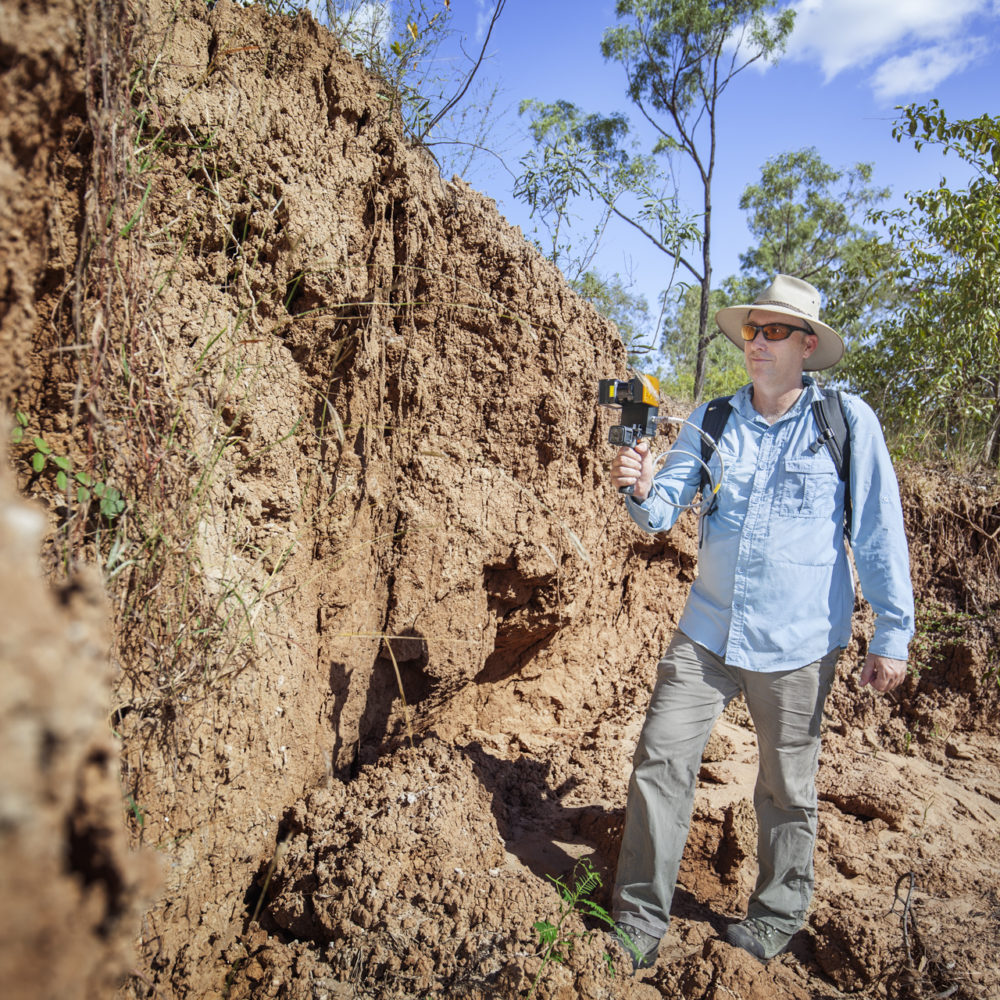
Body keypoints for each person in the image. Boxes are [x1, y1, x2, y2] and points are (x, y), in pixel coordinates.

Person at [607, 274, 914, 969]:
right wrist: (641, 486)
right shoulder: (712, 421)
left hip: (801, 646)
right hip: (709, 632)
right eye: (752, 329)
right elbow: (659, 516)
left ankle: (773, 920)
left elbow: (876, 533)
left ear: (807, 345)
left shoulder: (845, 423)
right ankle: (638, 921)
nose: (758, 342)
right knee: (660, 758)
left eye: (775, 331)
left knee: (785, 791)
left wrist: (892, 633)